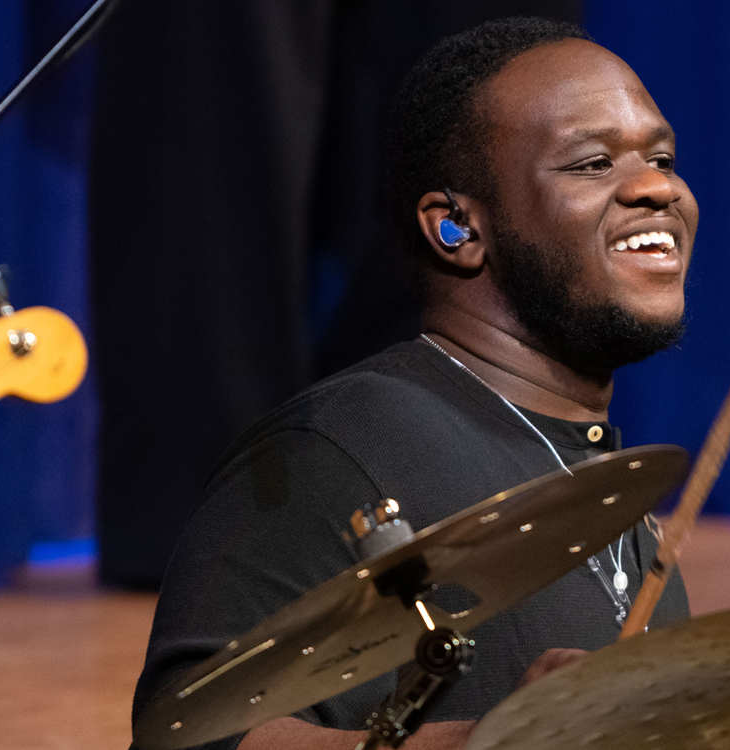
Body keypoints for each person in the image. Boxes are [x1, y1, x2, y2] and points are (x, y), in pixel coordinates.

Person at [131, 17, 700, 750]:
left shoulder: (612, 491)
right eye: (592, 164)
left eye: (660, 156)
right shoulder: (343, 442)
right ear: (456, 229)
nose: (655, 186)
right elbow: (189, 735)